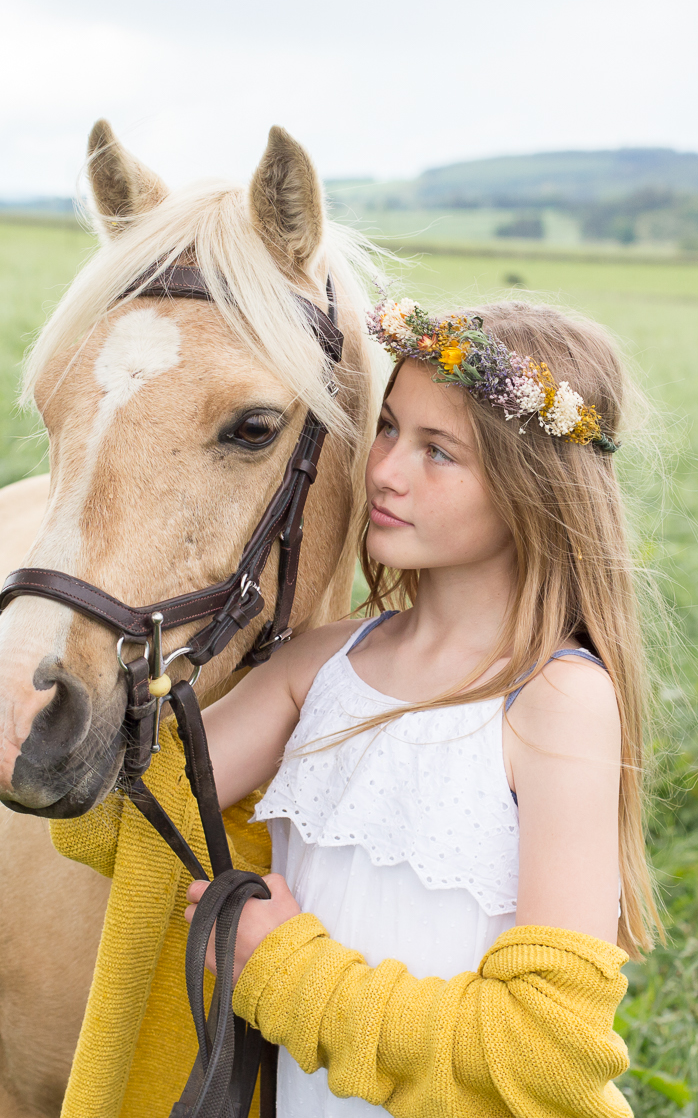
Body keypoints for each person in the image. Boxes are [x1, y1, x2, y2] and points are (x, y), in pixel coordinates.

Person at [177, 296, 662, 1117]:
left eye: (439, 451)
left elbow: (545, 1049)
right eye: (391, 428)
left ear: (533, 489)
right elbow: (130, 804)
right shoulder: (321, 664)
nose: (388, 469)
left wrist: (283, 967)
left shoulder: (556, 701)